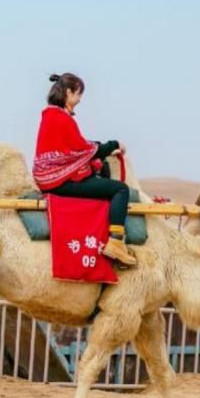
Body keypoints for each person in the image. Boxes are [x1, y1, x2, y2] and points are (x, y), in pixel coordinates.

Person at [32, 72, 134, 267]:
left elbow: (78, 148)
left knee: (99, 171)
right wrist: (113, 143)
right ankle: (116, 243)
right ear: (69, 92)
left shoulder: (50, 115)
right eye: (78, 94)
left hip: (49, 177)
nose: (79, 100)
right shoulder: (62, 119)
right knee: (120, 189)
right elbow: (83, 149)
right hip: (60, 181)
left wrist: (99, 148)